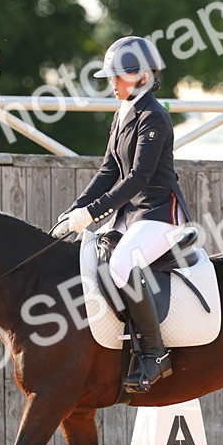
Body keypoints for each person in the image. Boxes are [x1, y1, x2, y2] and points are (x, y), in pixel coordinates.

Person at [55, 36, 194, 394]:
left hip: (160, 214)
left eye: (118, 77)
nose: (112, 84)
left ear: (143, 77)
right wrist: (75, 209)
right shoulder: (123, 113)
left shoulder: (154, 117)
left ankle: (155, 354)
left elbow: (137, 178)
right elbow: (108, 170)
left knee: (122, 265)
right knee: (94, 255)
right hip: (132, 216)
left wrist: (94, 213)